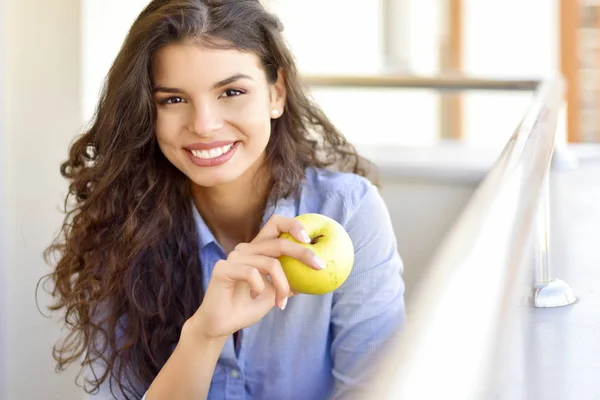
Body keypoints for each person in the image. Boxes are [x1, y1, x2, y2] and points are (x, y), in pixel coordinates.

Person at [43, 0, 406, 399]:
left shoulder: (348, 211)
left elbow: (378, 390)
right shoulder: (120, 225)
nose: (204, 125)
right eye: (173, 100)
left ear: (276, 93)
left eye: (231, 92)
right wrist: (203, 335)